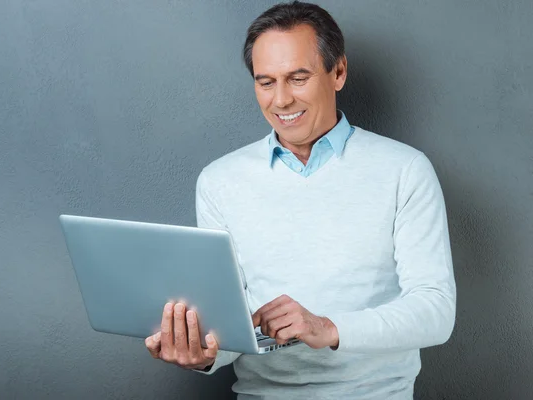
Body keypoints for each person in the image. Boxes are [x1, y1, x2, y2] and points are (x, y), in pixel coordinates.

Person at [145, 1, 456, 398]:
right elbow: (233, 322)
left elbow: (435, 311)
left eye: (298, 78)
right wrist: (203, 354)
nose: (281, 101)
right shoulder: (220, 181)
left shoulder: (405, 170)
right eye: (266, 82)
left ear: (338, 72)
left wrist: (327, 328)